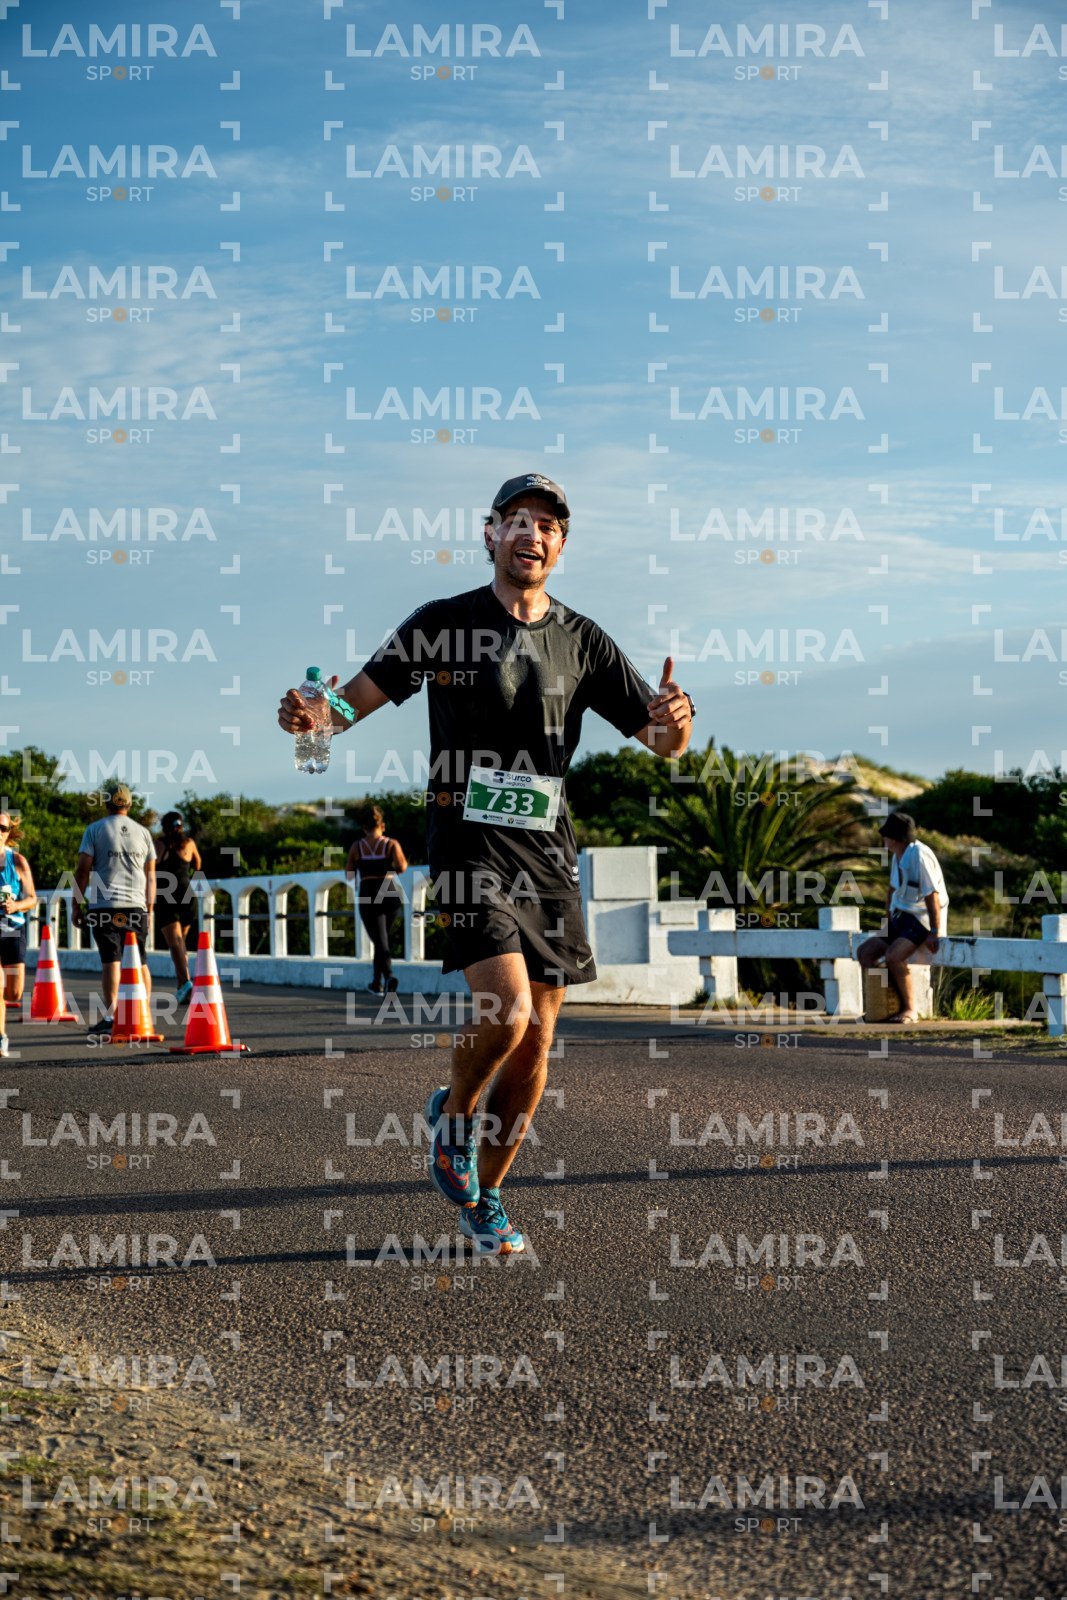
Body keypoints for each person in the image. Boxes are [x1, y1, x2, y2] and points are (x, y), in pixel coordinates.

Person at [278, 471, 695, 1254]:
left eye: (547, 525)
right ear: (490, 533)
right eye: (517, 520)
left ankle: (488, 1197)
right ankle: (456, 1114)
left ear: (560, 546)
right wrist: (312, 716)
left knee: (536, 1040)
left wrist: (678, 718)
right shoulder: (443, 623)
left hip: (547, 849)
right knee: (504, 1008)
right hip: (465, 838)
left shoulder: (583, 639)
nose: (532, 533)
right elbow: (351, 702)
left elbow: (660, 740)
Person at [72, 783, 156, 1039]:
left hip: (104, 906)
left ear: (106, 803)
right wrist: (150, 910)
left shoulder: (95, 829)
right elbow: (151, 877)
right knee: (140, 960)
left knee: (111, 960)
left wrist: (76, 904)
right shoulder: (143, 833)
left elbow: (82, 870)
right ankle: (142, 1014)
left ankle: (112, 1016)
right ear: (129, 804)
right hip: (137, 906)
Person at [857, 810, 949, 1024]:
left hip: (920, 919)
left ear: (896, 837)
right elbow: (892, 889)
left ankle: (910, 1009)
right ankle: (881, 1006)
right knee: (865, 953)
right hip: (901, 917)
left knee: (894, 956)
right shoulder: (898, 856)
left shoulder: (920, 856)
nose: (884, 838)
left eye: (887, 834)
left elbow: (932, 895)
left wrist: (934, 931)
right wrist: (889, 917)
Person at [345, 804, 408, 995]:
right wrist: (386, 869)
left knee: (380, 940)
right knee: (382, 940)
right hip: (389, 892)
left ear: (364, 827)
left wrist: (363, 869)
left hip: (367, 893)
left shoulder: (357, 847)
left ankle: (388, 977)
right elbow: (402, 866)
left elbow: (348, 874)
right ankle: (376, 982)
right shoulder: (391, 844)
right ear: (383, 826)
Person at [0, 813, 37, 1057]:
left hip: (12, 929)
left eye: (2, 827)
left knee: (13, 993)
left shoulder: (18, 861)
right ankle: (1, 1036)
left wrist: (15, 906)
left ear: (9, 832)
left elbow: (32, 898)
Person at [155, 811, 202, 1005]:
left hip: (167, 896)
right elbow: (198, 864)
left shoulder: (160, 844)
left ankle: (185, 984)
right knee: (181, 942)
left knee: (175, 945)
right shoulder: (189, 843)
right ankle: (183, 985)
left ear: (164, 827)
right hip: (187, 895)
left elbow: (149, 867)